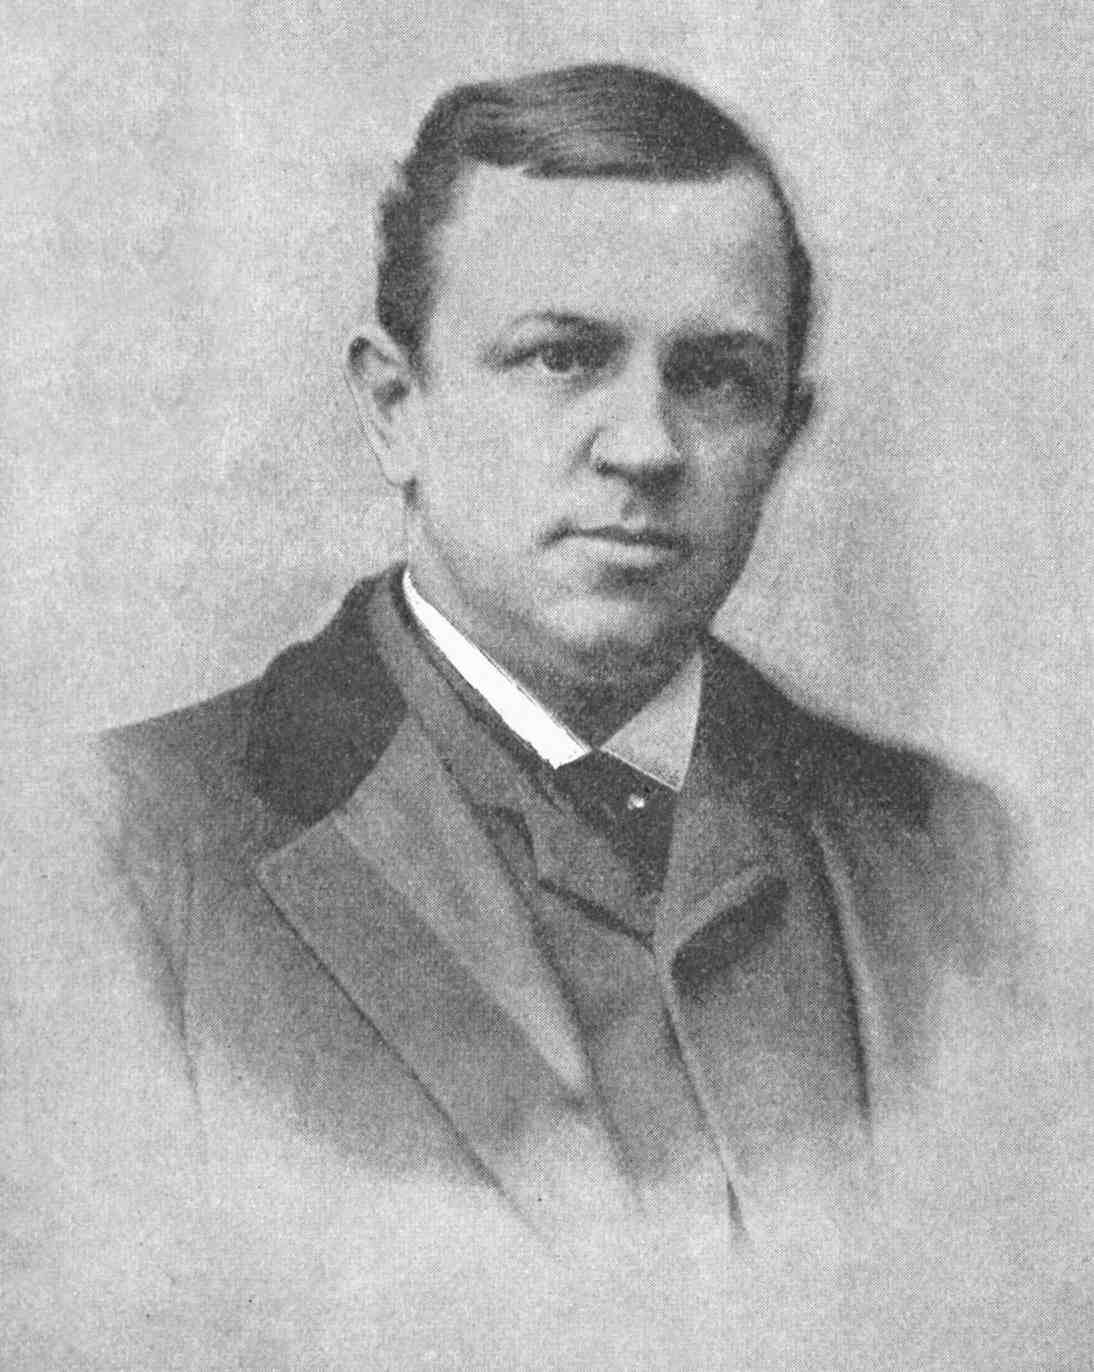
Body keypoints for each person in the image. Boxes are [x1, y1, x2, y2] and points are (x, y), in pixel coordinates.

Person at [3, 63, 1025, 1325]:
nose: (644, 446)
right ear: (395, 408)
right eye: (561, 358)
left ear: (781, 435)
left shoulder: (952, 859)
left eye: (714, 375)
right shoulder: (110, 856)